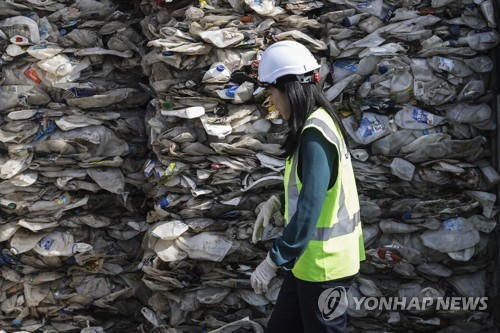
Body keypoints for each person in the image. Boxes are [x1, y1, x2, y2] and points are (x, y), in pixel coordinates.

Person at [250, 40, 365, 333]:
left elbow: (310, 209)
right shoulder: (315, 124)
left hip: (326, 268)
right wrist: (278, 200)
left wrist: (273, 260)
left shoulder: (315, 133)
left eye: (272, 93)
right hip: (308, 265)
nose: (272, 102)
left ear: (289, 90)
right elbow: (312, 187)